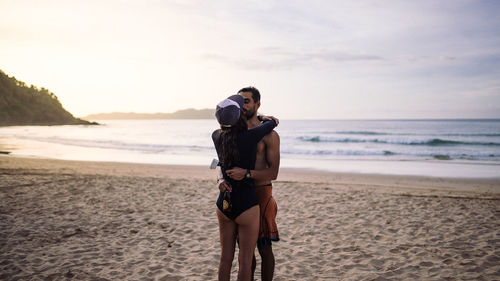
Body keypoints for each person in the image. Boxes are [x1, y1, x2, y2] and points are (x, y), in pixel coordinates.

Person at [212, 94, 278, 281]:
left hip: (224, 203)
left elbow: (217, 163)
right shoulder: (251, 137)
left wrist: (219, 179)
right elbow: (274, 122)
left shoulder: (216, 135)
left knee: (225, 259)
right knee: (245, 260)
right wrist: (266, 118)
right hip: (247, 203)